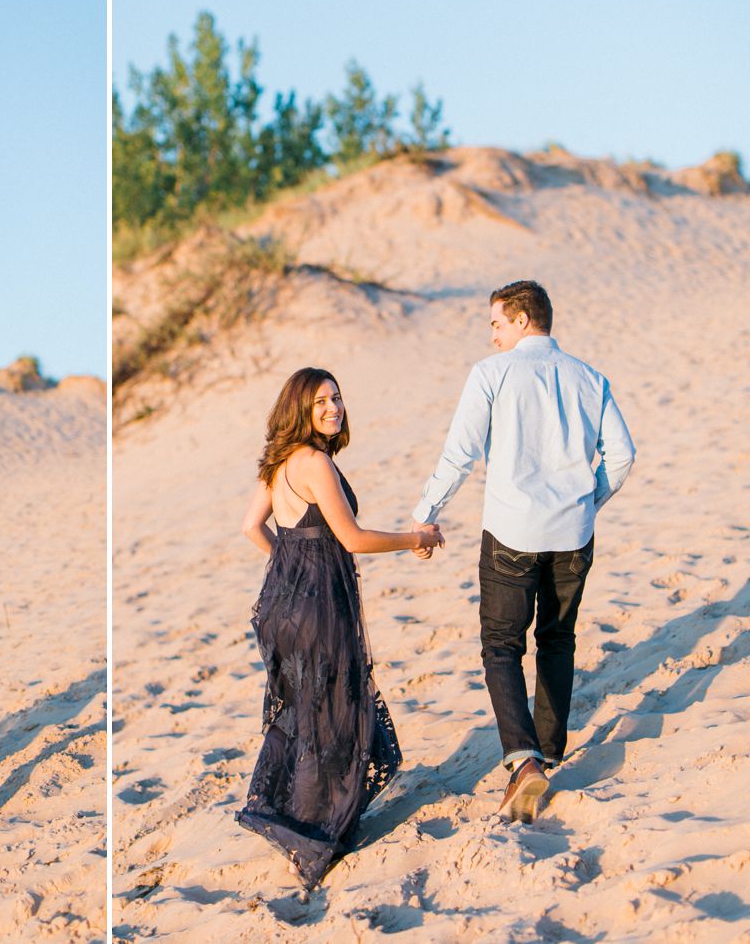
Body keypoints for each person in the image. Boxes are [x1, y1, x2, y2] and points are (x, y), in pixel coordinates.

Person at [411, 280, 635, 823]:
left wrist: (425, 513)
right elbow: (623, 455)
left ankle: (524, 762)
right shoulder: (590, 377)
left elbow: (461, 452)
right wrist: (586, 503)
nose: (491, 335)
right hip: (573, 535)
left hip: (511, 532)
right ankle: (552, 749)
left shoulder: (493, 373)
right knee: (558, 639)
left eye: (495, 323)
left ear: (520, 319)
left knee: (501, 646)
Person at [236, 368, 443, 889]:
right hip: (319, 610)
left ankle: (297, 824)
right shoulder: (315, 463)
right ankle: (309, 836)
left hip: (285, 607)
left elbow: (251, 528)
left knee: (308, 713)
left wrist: (291, 572)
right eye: (320, 401)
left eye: (337, 397)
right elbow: (351, 538)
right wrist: (414, 537)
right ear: (300, 409)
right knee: (331, 717)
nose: (333, 407)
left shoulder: (279, 464)